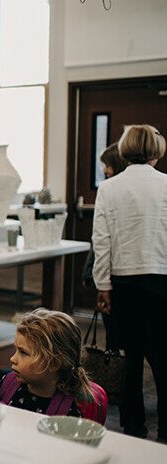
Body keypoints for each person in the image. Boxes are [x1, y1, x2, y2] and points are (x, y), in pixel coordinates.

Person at [93, 124, 167, 440]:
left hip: (124, 282)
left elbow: (101, 240)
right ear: (156, 149)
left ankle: (133, 425)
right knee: (164, 359)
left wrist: (102, 285)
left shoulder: (109, 188)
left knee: (129, 358)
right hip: (162, 279)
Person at [0, 309, 108, 425]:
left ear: (53, 364)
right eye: (16, 350)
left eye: (23, 353)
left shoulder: (70, 411)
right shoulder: (7, 384)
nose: (13, 359)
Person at [80, 143, 127, 350]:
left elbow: (102, 242)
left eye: (108, 165)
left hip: (117, 277)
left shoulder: (112, 192)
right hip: (112, 276)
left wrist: (94, 275)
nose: (105, 171)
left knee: (117, 338)